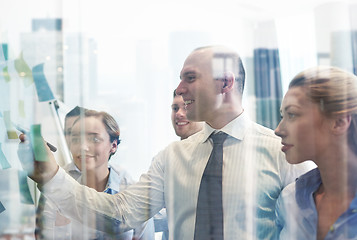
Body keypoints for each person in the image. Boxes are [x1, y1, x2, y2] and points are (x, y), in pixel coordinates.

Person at [20, 45, 312, 239]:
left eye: (190, 78)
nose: (180, 88)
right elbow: (119, 215)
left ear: (225, 82)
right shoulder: (171, 158)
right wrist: (52, 177)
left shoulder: (283, 154)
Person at [37, 109, 155, 239]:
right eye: (75, 139)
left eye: (94, 139)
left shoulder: (133, 193)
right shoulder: (56, 191)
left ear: (113, 146)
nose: (82, 147)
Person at [274, 66, 357, 240]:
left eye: (292, 115)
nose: (278, 130)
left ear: (339, 122)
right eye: (283, 116)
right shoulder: (290, 200)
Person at [154, 90, 204, 239]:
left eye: (186, 107)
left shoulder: (216, 156)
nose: (179, 114)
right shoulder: (166, 158)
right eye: (175, 108)